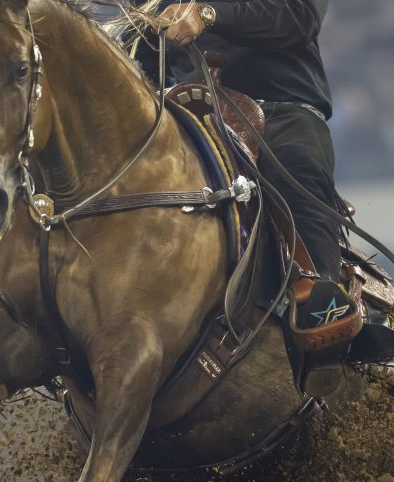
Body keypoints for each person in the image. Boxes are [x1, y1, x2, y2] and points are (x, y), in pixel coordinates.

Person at [141, 0, 357, 334]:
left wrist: (209, 13)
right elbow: (136, 44)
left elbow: (299, 17)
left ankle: (320, 300)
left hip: (280, 108)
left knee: (298, 164)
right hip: (180, 113)